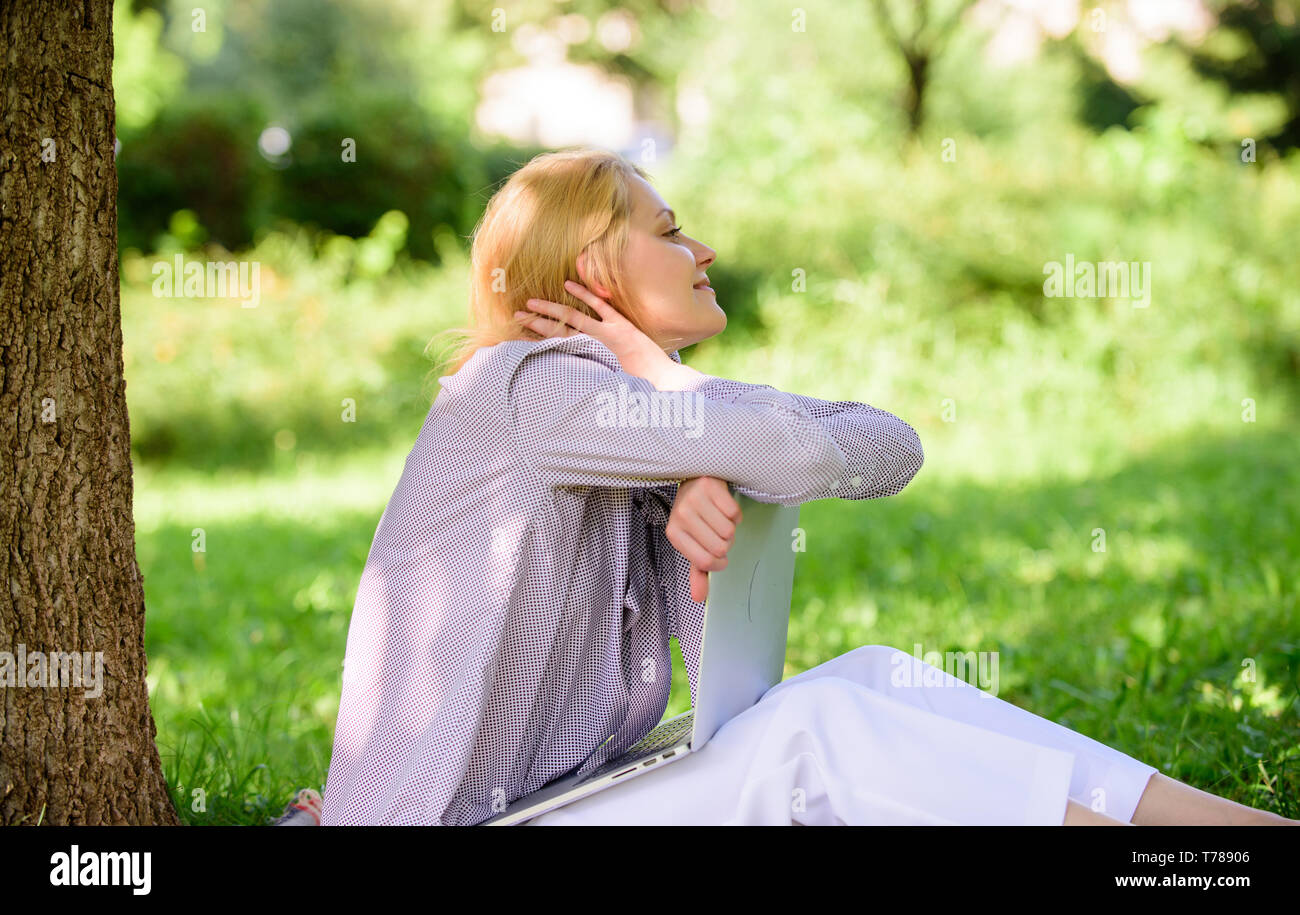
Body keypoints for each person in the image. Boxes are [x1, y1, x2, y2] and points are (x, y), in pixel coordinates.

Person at [316, 148, 1295, 827]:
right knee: (810, 732)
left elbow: (891, 446)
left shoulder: (637, 430)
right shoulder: (527, 391)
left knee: (866, 674)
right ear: (593, 269)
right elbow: (790, 454)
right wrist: (687, 410)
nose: (700, 252)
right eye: (671, 231)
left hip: (564, 805)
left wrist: (696, 432)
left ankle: (1233, 835)